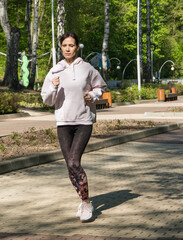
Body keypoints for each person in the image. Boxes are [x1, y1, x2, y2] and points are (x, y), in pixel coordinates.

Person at [41, 32, 107, 222]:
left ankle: (86, 203)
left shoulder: (87, 68)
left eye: (71, 45)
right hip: (63, 122)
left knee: (74, 162)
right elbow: (46, 99)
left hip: (84, 121)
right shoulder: (54, 71)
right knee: (69, 166)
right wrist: (53, 87)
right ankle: (83, 200)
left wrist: (92, 96)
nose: (68, 49)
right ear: (61, 48)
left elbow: (100, 88)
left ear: (77, 47)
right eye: (64, 46)